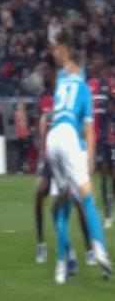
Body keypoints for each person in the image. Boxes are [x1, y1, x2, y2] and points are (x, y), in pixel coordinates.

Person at [46, 30, 111, 284]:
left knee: (58, 208)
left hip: (53, 139)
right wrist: (90, 159)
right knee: (87, 198)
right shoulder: (84, 89)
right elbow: (89, 132)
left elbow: (54, 114)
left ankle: (62, 265)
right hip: (73, 143)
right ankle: (100, 251)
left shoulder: (61, 84)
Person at [34, 55, 93, 266]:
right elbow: (43, 129)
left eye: (45, 71)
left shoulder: (66, 92)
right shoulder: (43, 98)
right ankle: (41, 244)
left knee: (77, 202)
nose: (42, 75)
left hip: (68, 153)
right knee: (40, 193)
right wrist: (41, 157)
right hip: (51, 156)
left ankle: (88, 248)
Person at [87, 53, 112, 228]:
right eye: (92, 61)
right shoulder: (87, 84)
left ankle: (108, 212)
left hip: (104, 136)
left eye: (97, 61)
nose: (94, 64)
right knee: (88, 174)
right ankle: (93, 212)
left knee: (105, 173)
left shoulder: (106, 84)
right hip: (90, 137)